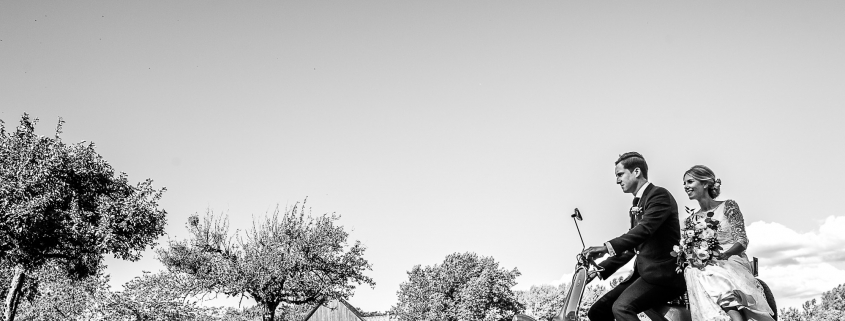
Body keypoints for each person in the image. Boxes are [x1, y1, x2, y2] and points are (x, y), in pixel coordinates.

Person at [582, 152, 686, 321]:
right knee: (598, 312)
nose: (617, 181)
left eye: (620, 174)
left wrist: (606, 247)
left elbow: (644, 230)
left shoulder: (659, 195)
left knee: (622, 308)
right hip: (643, 275)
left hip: (663, 276)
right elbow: (632, 248)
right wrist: (599, 270)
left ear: (636, 172)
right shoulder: (636, 205)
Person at [682, 165, 775, 321]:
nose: (686, 187)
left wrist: (723, 255)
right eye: (684, 183)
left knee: (706, 271)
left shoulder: (728, 206)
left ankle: (736, 316)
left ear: (705, 183)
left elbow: (742, 241)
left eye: (690, 182)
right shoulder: (691, 220)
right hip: (705, 265)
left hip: (732, 260)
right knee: (693, 270)